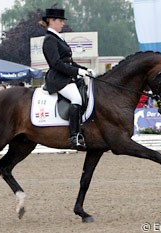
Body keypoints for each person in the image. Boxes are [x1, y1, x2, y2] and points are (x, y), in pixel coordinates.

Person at [39, 7, 93, 150]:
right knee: (77, 99)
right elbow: (56, 63)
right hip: (58, 79)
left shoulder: (58, 37)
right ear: (51, 21)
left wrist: (85, 70)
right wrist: (76, 71)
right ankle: (74, 136)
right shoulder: (49, 40)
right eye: (60, 20)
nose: (62, 23)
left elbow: (68, 61)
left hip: (67, 77)